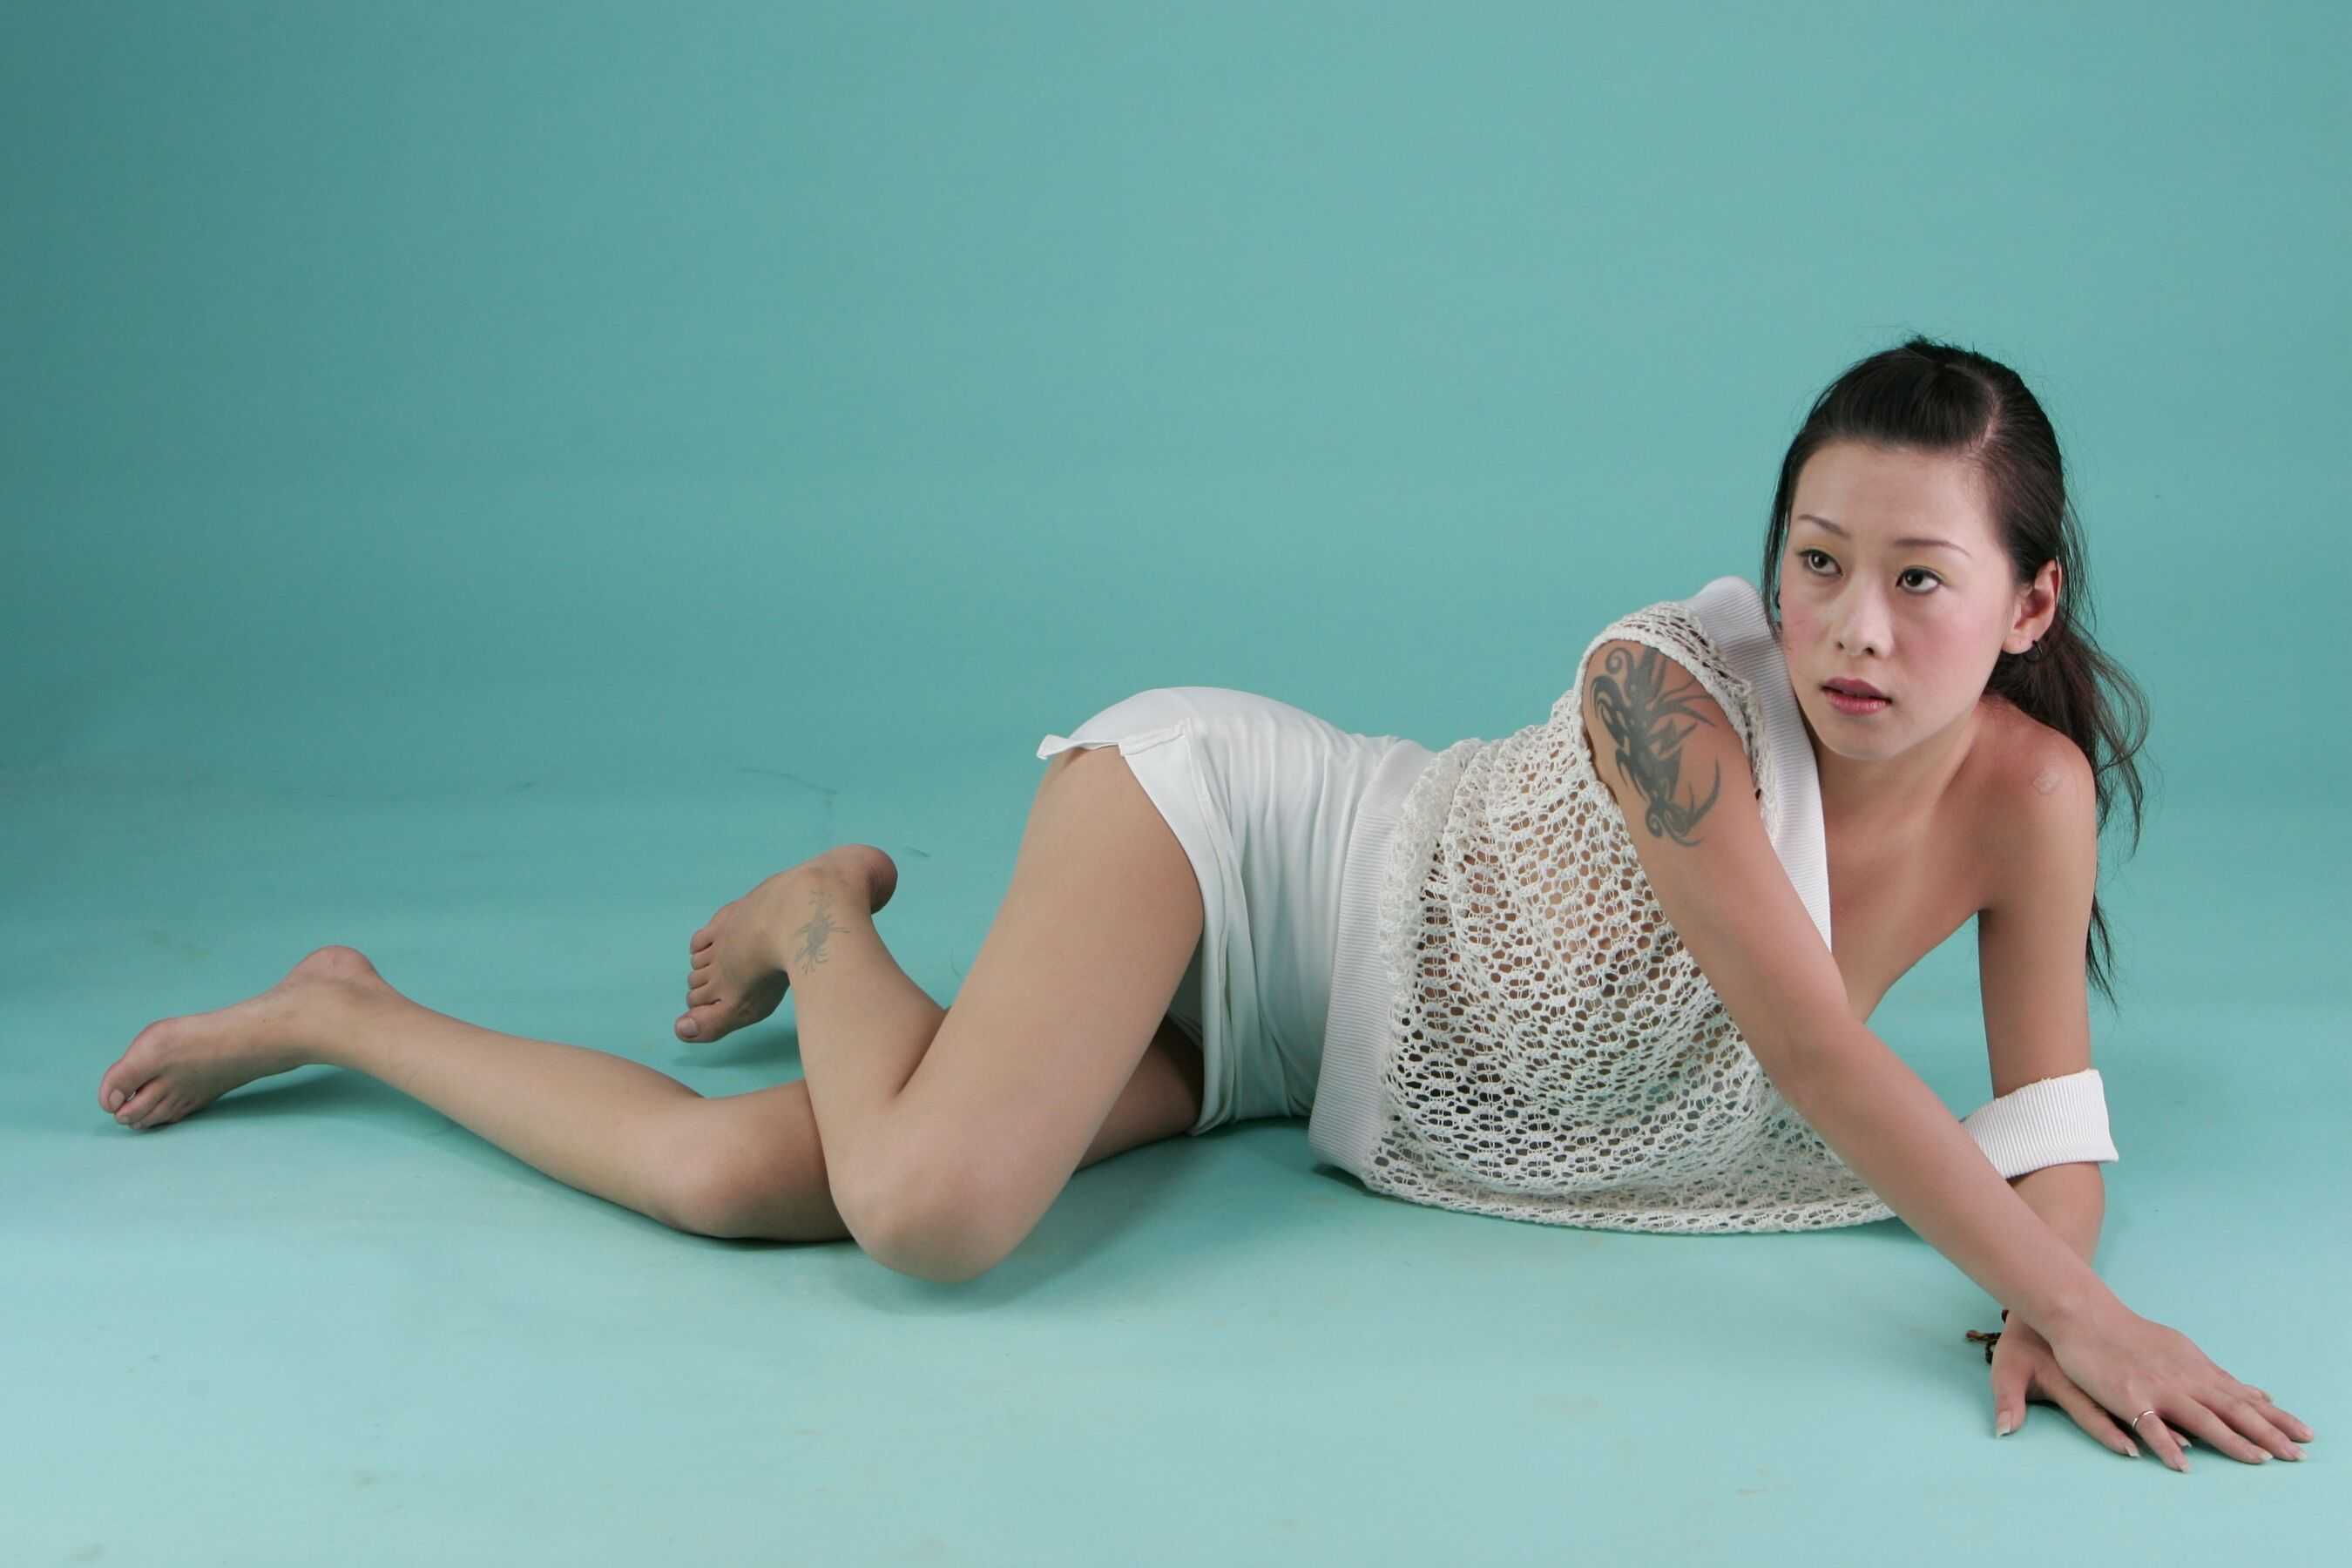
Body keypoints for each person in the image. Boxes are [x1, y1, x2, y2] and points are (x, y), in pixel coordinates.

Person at [95, 336, 2312, 1471]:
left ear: (2029, 606)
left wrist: (2056, 1297)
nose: (1853, 623)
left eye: (1920, 579)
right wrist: (2079, 1308)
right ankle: (826, 920)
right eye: (1818, 560)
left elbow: (2049, 1111)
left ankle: (343, 1007)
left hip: (1293, 1064)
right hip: (1242, 852)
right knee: (928, 1214)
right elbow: (1819, 1056)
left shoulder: (2033, 798)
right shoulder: (1673, 702)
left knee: (746, 1182)